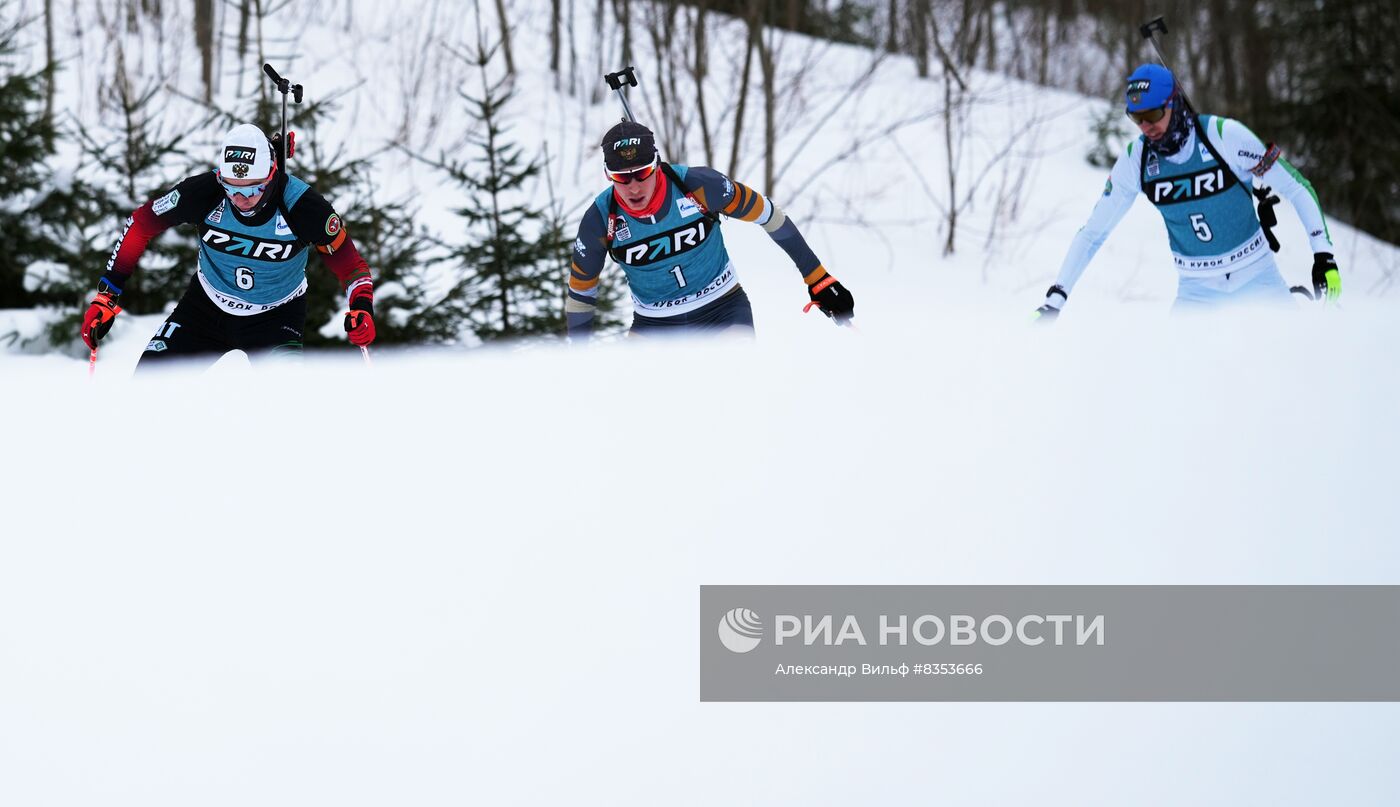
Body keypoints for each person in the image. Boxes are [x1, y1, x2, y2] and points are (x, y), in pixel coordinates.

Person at [1032, 64, 1340, 318]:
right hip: (1196, 292)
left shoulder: (1224, 136)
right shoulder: (1136, 160)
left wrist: (1323, 256)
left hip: (1256, 277)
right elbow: (1094, 233)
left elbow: (1298, 188)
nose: (1146, 126)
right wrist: (1055, 299)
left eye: (1153, 115)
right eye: (1137, 118)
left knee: (1294, 375)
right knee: (1173, 387)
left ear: (1173, 103)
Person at [80, 123, 376, 368]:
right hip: (205, 307)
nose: (241, 199)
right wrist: (107, 294)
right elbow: (140, 225)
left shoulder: (301, 206)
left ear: (272, 174)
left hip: (276, 316)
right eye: (231, 188)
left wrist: (361, 306)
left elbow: (351, 264)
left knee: (284, 405)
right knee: (148, 385)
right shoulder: (204, 192)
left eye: (253, 189)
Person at [566, 120, 854, 337]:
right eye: (621, 177)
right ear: (608, 175)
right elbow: (581, 292)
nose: (633, 187)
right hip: (653, 324)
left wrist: (817, 278)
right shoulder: (600, 219)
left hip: (723, 309)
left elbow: (769, 215)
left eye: (641, 173)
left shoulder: (700, 186)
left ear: (655, 165)